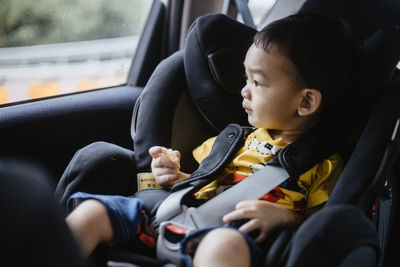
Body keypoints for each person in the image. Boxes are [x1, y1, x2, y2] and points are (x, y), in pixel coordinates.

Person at [65, 12, 359, 267]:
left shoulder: (324, 165)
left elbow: (323, 229)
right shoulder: (232, 140)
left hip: (237, 238)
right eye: (246, 79)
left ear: (306, 102)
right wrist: (174, 175)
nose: (244, 91)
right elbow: (202, 185)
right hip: (173, 217)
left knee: (222, 247)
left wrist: (288, 220)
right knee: (92, 212)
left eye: (257, 82)